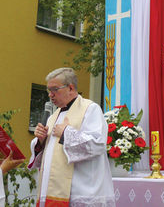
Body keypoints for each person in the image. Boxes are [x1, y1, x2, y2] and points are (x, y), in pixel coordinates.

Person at [28, 67, 115, 207]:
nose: (50, 95)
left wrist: (66, 133)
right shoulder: (53, 117)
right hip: (52, 191)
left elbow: (97, 144)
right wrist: (41, 141)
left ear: (70, 87)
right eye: (48, 90)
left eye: (54, 89)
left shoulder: (90, 109)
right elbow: (49, 154)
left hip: (81, 190)